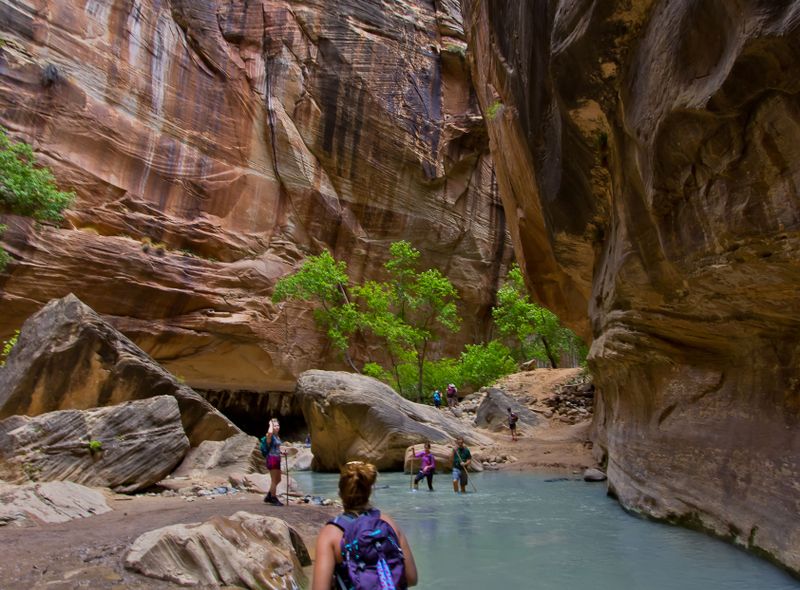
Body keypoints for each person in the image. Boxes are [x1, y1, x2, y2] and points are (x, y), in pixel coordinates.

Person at [312, 461, 418, 590]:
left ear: (340, 494)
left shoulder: (330, 534)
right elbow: (411, 578)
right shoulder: (388, 523)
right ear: (369, 492)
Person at [264, 418, 286, 506]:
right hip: (272, 458)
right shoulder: (270, 435)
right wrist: (270, 424)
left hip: (277, 458)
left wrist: (282, 452)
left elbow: (276, 447)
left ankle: (269, 495)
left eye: (277, 425)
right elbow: (269, 433)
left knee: (278, 479)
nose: (277, 427)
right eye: (275, 426)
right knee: (274, 479)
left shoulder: (277, 436)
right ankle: (273, 498)